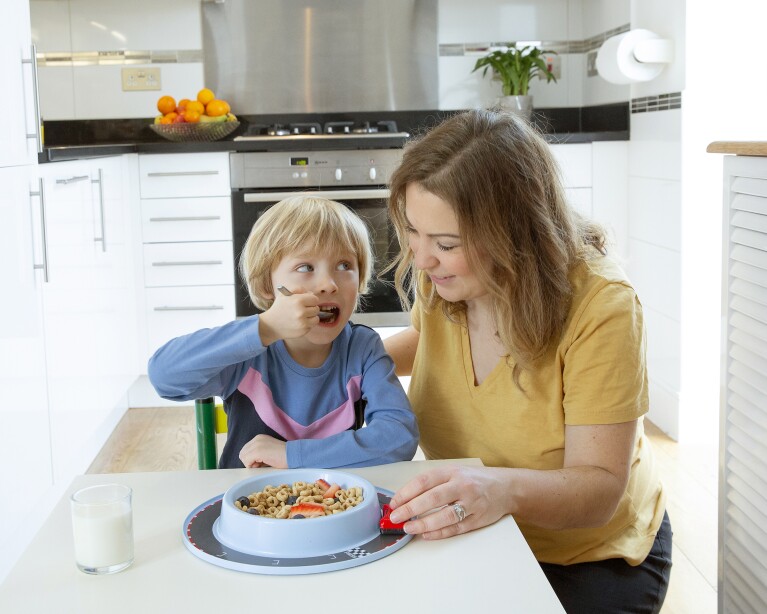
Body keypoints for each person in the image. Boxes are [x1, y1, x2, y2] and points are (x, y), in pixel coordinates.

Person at [382, 109, 671, 613]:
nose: (422, 259)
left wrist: (498, 489)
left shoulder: (601, 305)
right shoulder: (445, 277)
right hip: (478, 529)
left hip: (589, 554)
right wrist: (338, 365)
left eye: (446, 244)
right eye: (413, 232)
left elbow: (599, 488)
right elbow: (426, 342)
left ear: (513, 236)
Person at [148, 195, 419, 470]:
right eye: (305, 267)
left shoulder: (362, 348)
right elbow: (164, 377)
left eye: (344, 266)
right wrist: (265, 328)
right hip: (246, 508)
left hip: (334, 509)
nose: (328, 284)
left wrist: (291, 455)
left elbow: (398, 438)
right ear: (268, 285)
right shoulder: (246, 352)